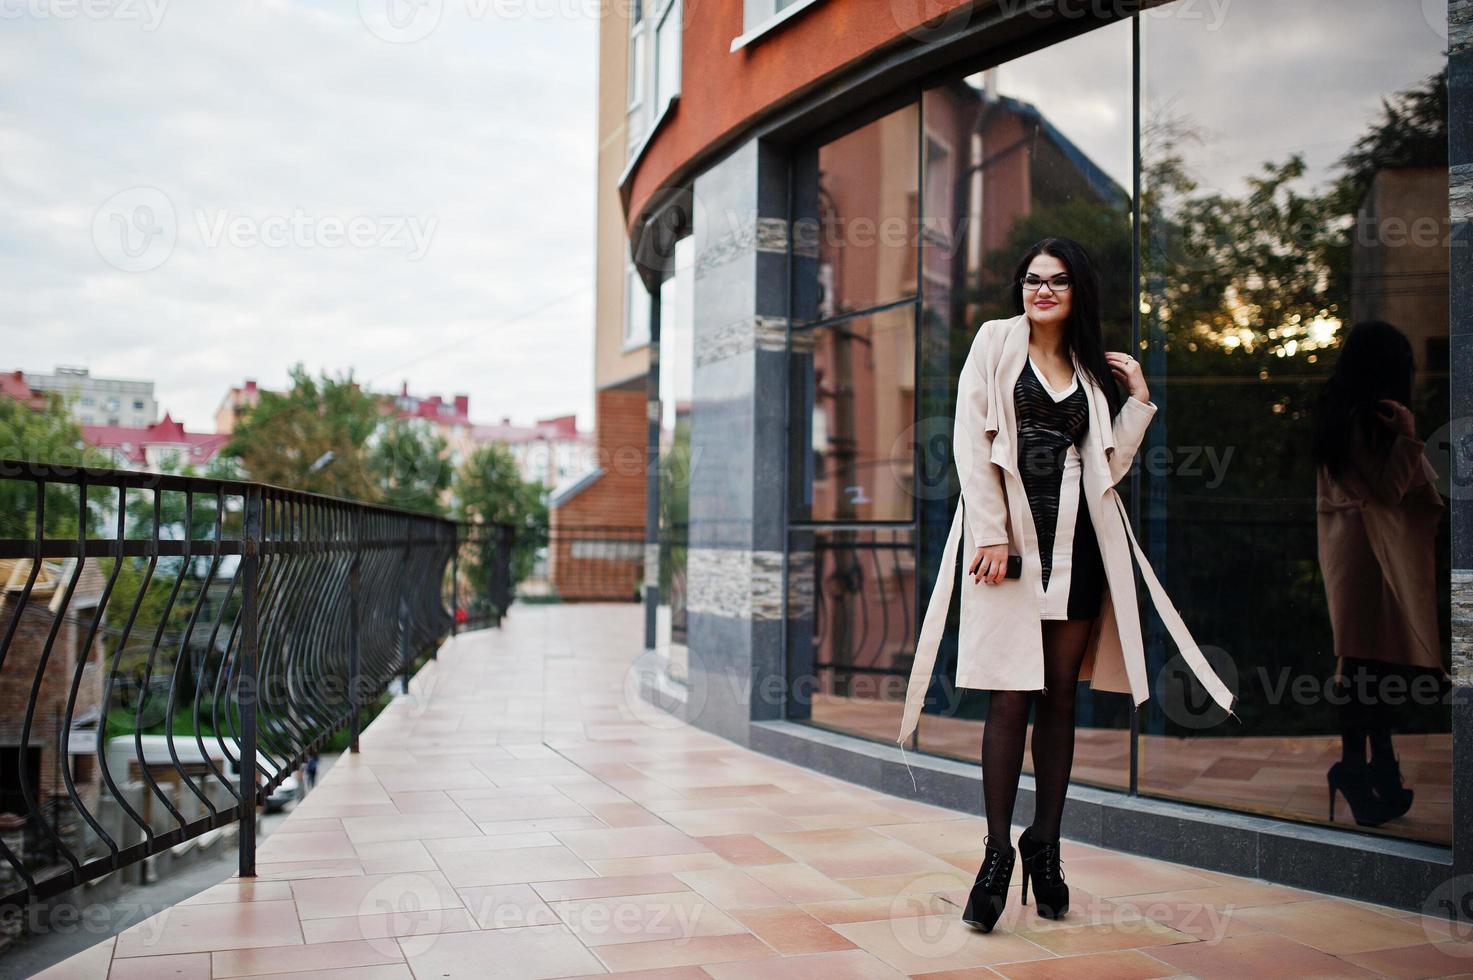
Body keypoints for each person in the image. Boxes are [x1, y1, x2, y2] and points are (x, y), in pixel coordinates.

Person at [895, 236, 1235, 934]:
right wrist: (989, 531)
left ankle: (1042, 847)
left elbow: (1106, 468)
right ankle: (995, 855)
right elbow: (969, 439)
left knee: (1056, 700)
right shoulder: (994, 342)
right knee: (1007, 698)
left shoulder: (1087, 371)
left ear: (1077, 291)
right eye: (1029, 279)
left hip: (1076, 551)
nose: (1040, 289)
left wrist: (1137, 403)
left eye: (1055, 281)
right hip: (1006, 552)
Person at [1312, 320, 1447, 828]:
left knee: (1365, 665)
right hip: (1370, 551)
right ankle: (1363, 772)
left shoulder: (1338, 415)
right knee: (1372, 667)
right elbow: (1391, 491)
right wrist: (1410, 436)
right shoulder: (1365, 421)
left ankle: (1373, 772)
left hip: (1353, 550)